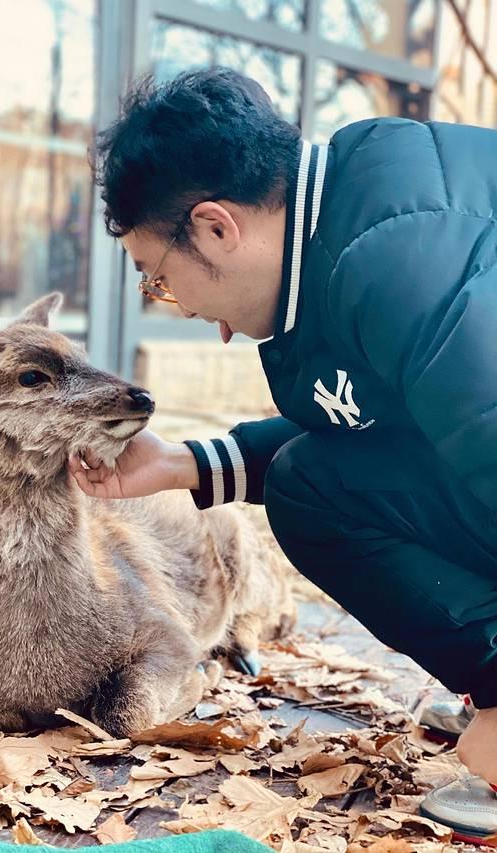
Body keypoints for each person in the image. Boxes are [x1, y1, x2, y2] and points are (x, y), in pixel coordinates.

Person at [70, 68, 497, 843]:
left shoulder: (400, 259)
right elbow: (369, 444)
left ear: (214, 228)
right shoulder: (342, 231)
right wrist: (184, 464)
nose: (192, 311)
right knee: (310, 489)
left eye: (162, 281)